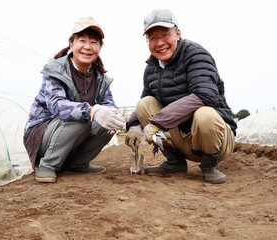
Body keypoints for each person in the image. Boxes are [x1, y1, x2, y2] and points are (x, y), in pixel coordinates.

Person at [125, 9, 237, 184]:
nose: (160, 43)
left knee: (204, 113)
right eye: (153, 38)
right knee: (144, 104)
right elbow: (146, 100)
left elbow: (205, 95)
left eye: (164, 35)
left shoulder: (196, 54)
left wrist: (157, 122)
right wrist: (133, 126)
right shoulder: (151, 68)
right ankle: (174, 161)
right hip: (183, 138)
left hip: (216, 139)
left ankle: (210, 165)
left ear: (177, 34)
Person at [24, 16, 126, 183]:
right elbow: (56, 106)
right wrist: (92, 111)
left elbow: (108, 104)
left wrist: (115, 115)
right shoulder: (55, 70)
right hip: (42, 135)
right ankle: (47, 165)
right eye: (82, 40)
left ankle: (78, 164)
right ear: (71, 44)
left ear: (100, 47)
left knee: (109, 123)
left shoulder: (101, 77)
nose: (87, 47)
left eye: (94, 42)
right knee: (81, 117)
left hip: (72, 134)